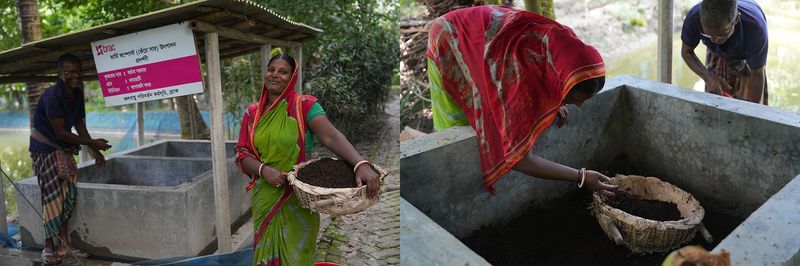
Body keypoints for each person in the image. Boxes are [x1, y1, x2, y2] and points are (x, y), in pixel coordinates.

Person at [427, 6, 618, 196]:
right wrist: (581, 176)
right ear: (561, 83)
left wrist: (557, 101)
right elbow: (520, 160)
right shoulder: (514, 80)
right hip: (449, 36)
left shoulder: (562, 48)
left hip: (484, 31)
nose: (578, 106)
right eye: (571, 98)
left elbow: (546, 81)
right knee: (464, 116)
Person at [234, 54, 381, 265]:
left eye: (283, 71)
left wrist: (361, 164)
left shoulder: (304, 106)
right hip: (265, 197)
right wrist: (264, 170)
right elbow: (242, 152)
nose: (275, 74)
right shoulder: (252, 113)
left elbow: (331, 136)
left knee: (298, 256)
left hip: (299, 198)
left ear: (292, 77)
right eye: (271, 69)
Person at [29, 53, 111, 264]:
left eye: (78, 72)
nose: (76, 76)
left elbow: (79, 125)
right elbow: (60, 133)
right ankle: (48, 247)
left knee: (68, 196)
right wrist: (94, 144)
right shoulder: (52, 97)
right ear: (60, 73)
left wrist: (95, 151)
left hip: (64, 149)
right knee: (52, 196)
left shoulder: (78, 93)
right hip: (45, 149)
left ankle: (64, 244)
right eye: (71, 72)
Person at [680, 0, 768, 105]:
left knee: (750, 103)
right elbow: (686, 52)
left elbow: (757, 74)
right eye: (708, 34)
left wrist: (752, 113)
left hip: (745, 51)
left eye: (721, 34)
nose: (714, 40)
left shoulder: (755, 28)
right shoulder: (694, 18)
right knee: (715, 101)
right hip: (716, 52)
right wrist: (708, 77)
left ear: (736, 20)